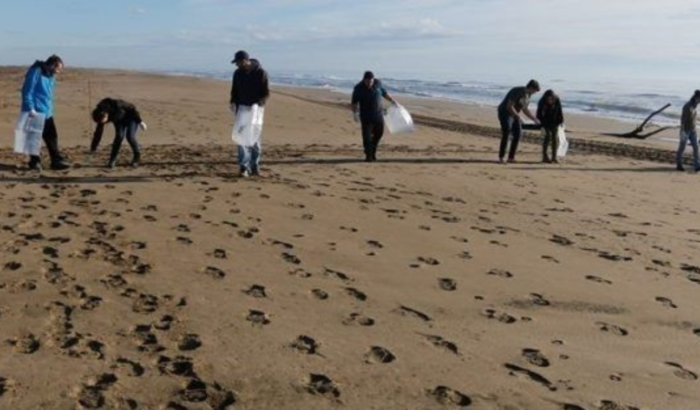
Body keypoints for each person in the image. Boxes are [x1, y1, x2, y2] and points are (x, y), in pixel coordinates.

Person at [20, 55, 70, 171]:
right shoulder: (36, 71)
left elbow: (47, 94)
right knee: (34, 138)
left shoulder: (50, 75)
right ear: (52, 65)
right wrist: (30, 108)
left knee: (52, 137)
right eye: (58, 69)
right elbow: (27, 91)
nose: (58, 72)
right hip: (34, 111)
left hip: (46, 111)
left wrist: (50, 110)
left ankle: (56, 161)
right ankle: (34, 162)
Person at [230, 50, 270, 177]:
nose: (237, 65)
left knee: (254, 138)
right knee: (241, 137)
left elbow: (266, 93)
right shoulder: (237, 73)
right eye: (236, 63)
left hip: (256, 110)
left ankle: (254, 165)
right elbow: (234, 91)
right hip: (241, 109)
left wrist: (257, 104)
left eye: (238, 62)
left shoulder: (261, 73)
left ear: (245, 61)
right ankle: (243, 166)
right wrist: (233, 102)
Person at [351, 71, 397, 162]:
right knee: (367, 137)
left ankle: (372, 151)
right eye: (367, 81)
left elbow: (384, 93)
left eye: (371, 81)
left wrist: (392, 101)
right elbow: (354, 102)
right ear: (364, 80)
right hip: (366, 117)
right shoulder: (358, 88)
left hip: (378, 115)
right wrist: (355, 113)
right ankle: (369, 156)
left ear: (373, 80)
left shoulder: (378, 84)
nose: (369, 83)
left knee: (379, 134)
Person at [90, 98, 147, 168]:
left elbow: (132, 109)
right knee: (119, 136)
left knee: (130, 136)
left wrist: (140, 121)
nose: (104, 123)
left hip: (132, 118)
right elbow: (98, 133)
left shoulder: (117, 104)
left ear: (105, 114)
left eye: (103, 121)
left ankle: (136, 157)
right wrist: (93, 147)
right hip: (119, 121)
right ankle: (112, 159)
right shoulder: (99, 115)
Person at [497, 79, 541, 163]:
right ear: (530, 87)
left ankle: (511, 158)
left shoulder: (528, 95)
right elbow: (509, 106)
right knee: (507, 132)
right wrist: (518, 117)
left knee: (518, 133)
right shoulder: (517, 91)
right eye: (535, 91)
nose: (534, 93)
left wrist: (534, 119)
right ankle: (501, 157)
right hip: (504, 112)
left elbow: (525, 109)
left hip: (515, 115)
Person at [536, 89, 565, 163]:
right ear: (545, 98)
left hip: (555, 121)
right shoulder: (541, 101)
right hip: (545, 121)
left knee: (555, 138)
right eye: (548, 99)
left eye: (551, 99)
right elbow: (539, 115)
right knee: (548, 136)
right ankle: (545, 156)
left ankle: (554, 157)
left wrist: (561, 121)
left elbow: (560, 110)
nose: (549, 100)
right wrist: (542, 125)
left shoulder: (557, 99)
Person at [676, 90, 700, 172]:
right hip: (685, 130)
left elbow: (694, 118)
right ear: (696, 98)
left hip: (693, 130)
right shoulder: (687, 107)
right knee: (682, 148)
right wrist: (682, 132)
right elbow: (682, 120)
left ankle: (697, 166)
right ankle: (679, 165)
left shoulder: (695, 105)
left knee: (696, 147)